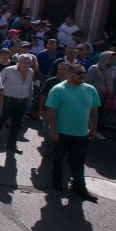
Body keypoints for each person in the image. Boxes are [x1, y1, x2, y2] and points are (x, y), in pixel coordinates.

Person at [45, 63, 100, 202]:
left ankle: (79, 186)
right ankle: (57, 180)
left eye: (83, 73)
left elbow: (94, 110)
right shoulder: (59, 89)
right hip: (62, 132)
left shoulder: (90, 89)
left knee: (79, 161)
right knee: (58, 158)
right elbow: (51, 111)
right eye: (78, 73)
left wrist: (93, 128)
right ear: (69, 74)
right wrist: (53, 129)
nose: (82, 75)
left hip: (81, 134)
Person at [0, 54, 34, 155]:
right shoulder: (8, 70)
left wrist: (30, 99)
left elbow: (30, 86)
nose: (26, 64)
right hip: (8, 101)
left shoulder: (30, 72)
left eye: (29, 63)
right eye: (24, 62)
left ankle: (11, 144)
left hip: (22, 102)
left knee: (17, 125)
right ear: (18, 62)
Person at [85, 51, 116, 140]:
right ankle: (88, 130)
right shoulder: (94, 68)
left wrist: (114, 93)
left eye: (115, 59)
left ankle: (96, 130)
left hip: (107, 97)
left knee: (101, 114)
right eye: (111, 58)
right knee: (91, 113)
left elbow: (114, 82)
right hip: (94, 95)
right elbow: (88, 82)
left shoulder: (114, 69)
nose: (113, 61)